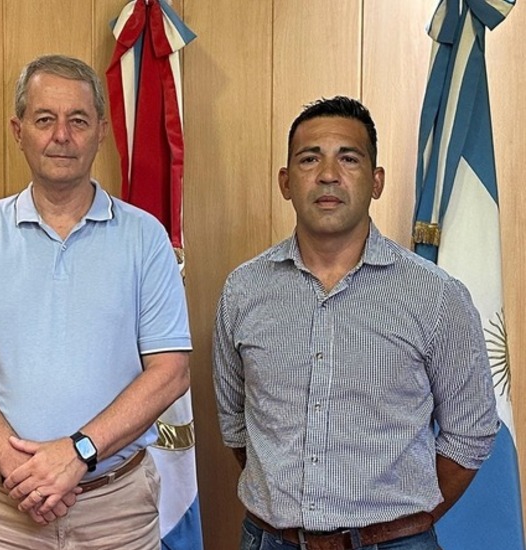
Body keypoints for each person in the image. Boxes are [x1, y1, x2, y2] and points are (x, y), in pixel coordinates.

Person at [0, 54, 192, 550]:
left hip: (116, 512)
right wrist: (20, 469)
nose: (62, 136)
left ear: (102, 131)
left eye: (78, 120)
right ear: (18, 130)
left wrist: (78, 452)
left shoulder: (145, 237)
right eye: (45, 119)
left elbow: (171, 373)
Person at [213, 97, 499, 550]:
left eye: (348, 158)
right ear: (286, 182)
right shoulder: (243, 290)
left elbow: (472, 431)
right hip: (271, 540)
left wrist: (399, 524)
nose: (328, 174)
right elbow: (235, 423)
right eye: (310, 159)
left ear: (376, 180)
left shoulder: (435, 295)